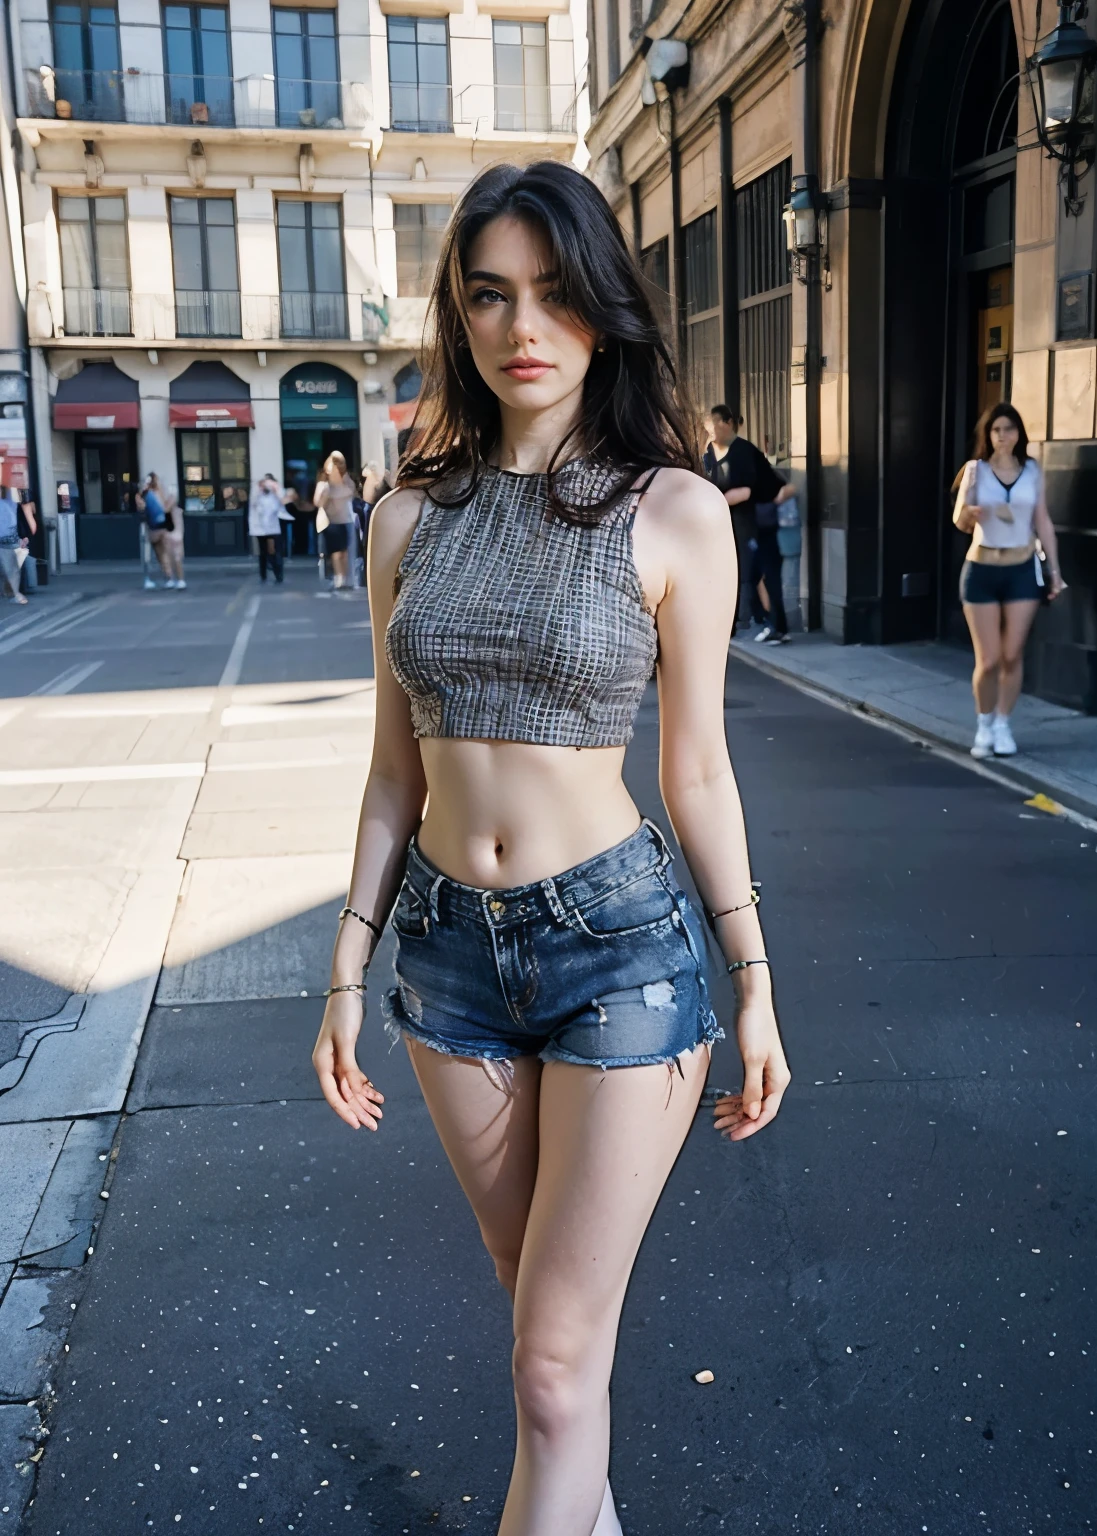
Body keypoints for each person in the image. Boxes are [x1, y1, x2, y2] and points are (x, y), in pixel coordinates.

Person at [310, 160, 789, 1536]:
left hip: (620, 951)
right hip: (449, 963)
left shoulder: (675, 512)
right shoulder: (406, 518)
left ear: (602, 308)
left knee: (552, 1364)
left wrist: (753, 979)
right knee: (543, 1340)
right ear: (458, 320)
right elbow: (394, 772)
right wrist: (346, 968)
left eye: (556, 293)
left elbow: (697, 768)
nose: (525, 326)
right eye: (489, 297)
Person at [953, 401, 1065, 758]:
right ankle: (984, 724)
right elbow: (960, 521)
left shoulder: (1032, 470)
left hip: (1021, 568)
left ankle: (1003, 724)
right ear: (988, 435)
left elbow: (1043, 522)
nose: (1004, 436)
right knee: (988, 660)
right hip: (982, 569)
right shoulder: (976, 470)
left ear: (1019, 433)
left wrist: (1055, 573)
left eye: (1010, 428)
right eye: (997, 429)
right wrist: (970, 512)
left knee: (1012, 655)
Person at [702, 405, 798, 643]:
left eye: (715, 423)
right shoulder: (714, 454)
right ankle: (768, 623)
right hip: (743, 525)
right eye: (709, 424)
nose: (712, 429)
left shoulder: (742, 452)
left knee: (757, 575)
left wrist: (716, 504)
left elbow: (745, 491)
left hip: (758, 524)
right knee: (752, 576)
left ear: (729, 423)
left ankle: (772, 624)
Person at [314, 451, 358, 589]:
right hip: (331, 522)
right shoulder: (324, 485)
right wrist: (326, 495)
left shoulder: (347, 481)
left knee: (345, 552)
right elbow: (317, 502)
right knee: (336, 553)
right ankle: (339, 578)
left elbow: (353, 493)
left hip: (346, 521)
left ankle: (345, 579)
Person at [138, 473, 184, 590]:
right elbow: (143, 509)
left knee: (169, 554)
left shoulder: (159, 493)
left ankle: (177, 579)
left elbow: (166, 508)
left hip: (163, 527)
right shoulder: (148, 494)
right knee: (162, 555)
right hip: (156, 528)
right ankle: (171, 578)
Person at [248, 472, 292, 584]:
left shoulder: (275, 494)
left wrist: (276, 490)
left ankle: (278, 574)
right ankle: (263, 575)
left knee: (273, 551)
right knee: (263, 552)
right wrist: (259, 488)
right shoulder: (258, 494)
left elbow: (284, 501)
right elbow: (254, 504)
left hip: (273, 527)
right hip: (260, 528)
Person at [0, 485, 36, 605]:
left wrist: (25, 533)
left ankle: (13, 592)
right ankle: (12, 592)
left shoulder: (15, 491)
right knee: (10, 567)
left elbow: (26, 510)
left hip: (9, 536)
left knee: (10, 566)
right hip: (9, 536)